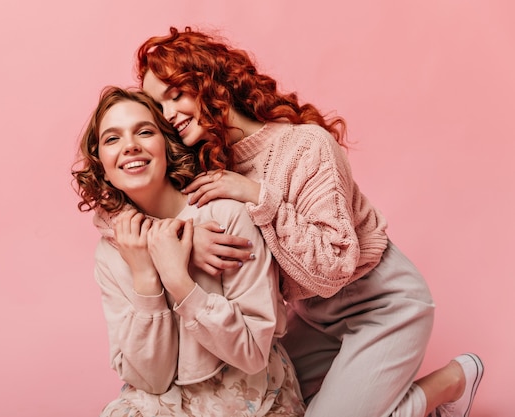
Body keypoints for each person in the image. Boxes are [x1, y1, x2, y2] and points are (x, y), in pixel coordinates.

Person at [92, 27, 484, 417]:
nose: (169, 116)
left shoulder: (306, 146)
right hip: (313, 315)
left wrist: (257, 196)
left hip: (382, 303)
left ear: (211, 81)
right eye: (158, 107)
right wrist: (186, 239)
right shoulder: (209, 157)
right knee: (282, 404)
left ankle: (448, 384)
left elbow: (329, 271)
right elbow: (133, 200)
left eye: (176, 94)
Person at [73, 86, 306, 416]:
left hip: (253, 400)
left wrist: (178, 280)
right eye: (112, 139)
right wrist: (146, 278)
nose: (130, 146)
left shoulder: (225, 216)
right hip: (166, 404)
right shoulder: (113, 249)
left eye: (144, 131)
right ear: (101, 164)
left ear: (167, 144)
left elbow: (252, 353)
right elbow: (151, 380)